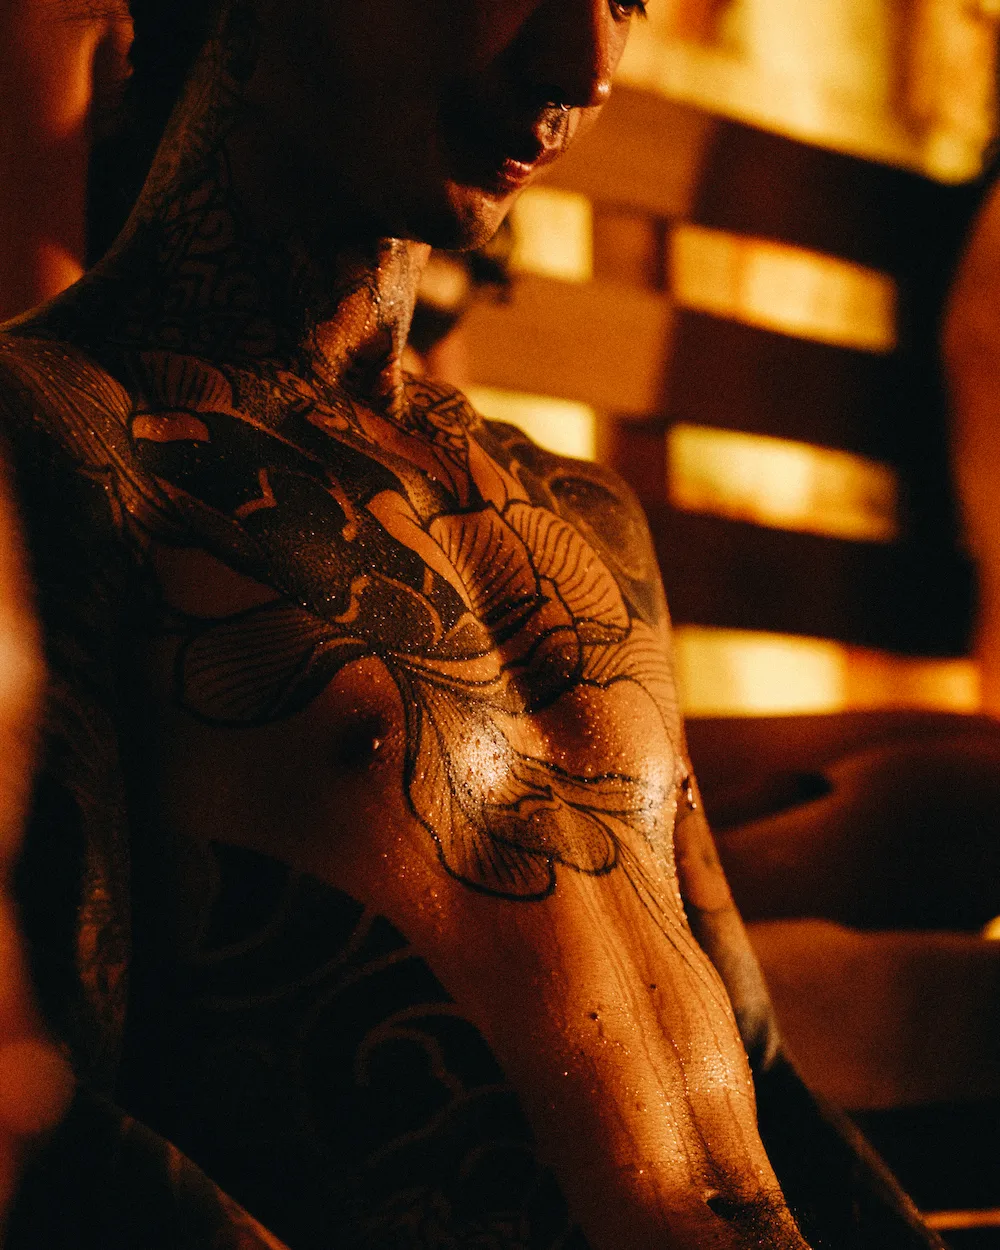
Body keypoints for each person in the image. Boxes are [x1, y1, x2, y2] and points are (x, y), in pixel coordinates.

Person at [0, 0, 855, 1245]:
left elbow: (758, 1069)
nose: (590, 62)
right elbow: (44, 1108)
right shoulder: (52, 451)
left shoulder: (580, 516)